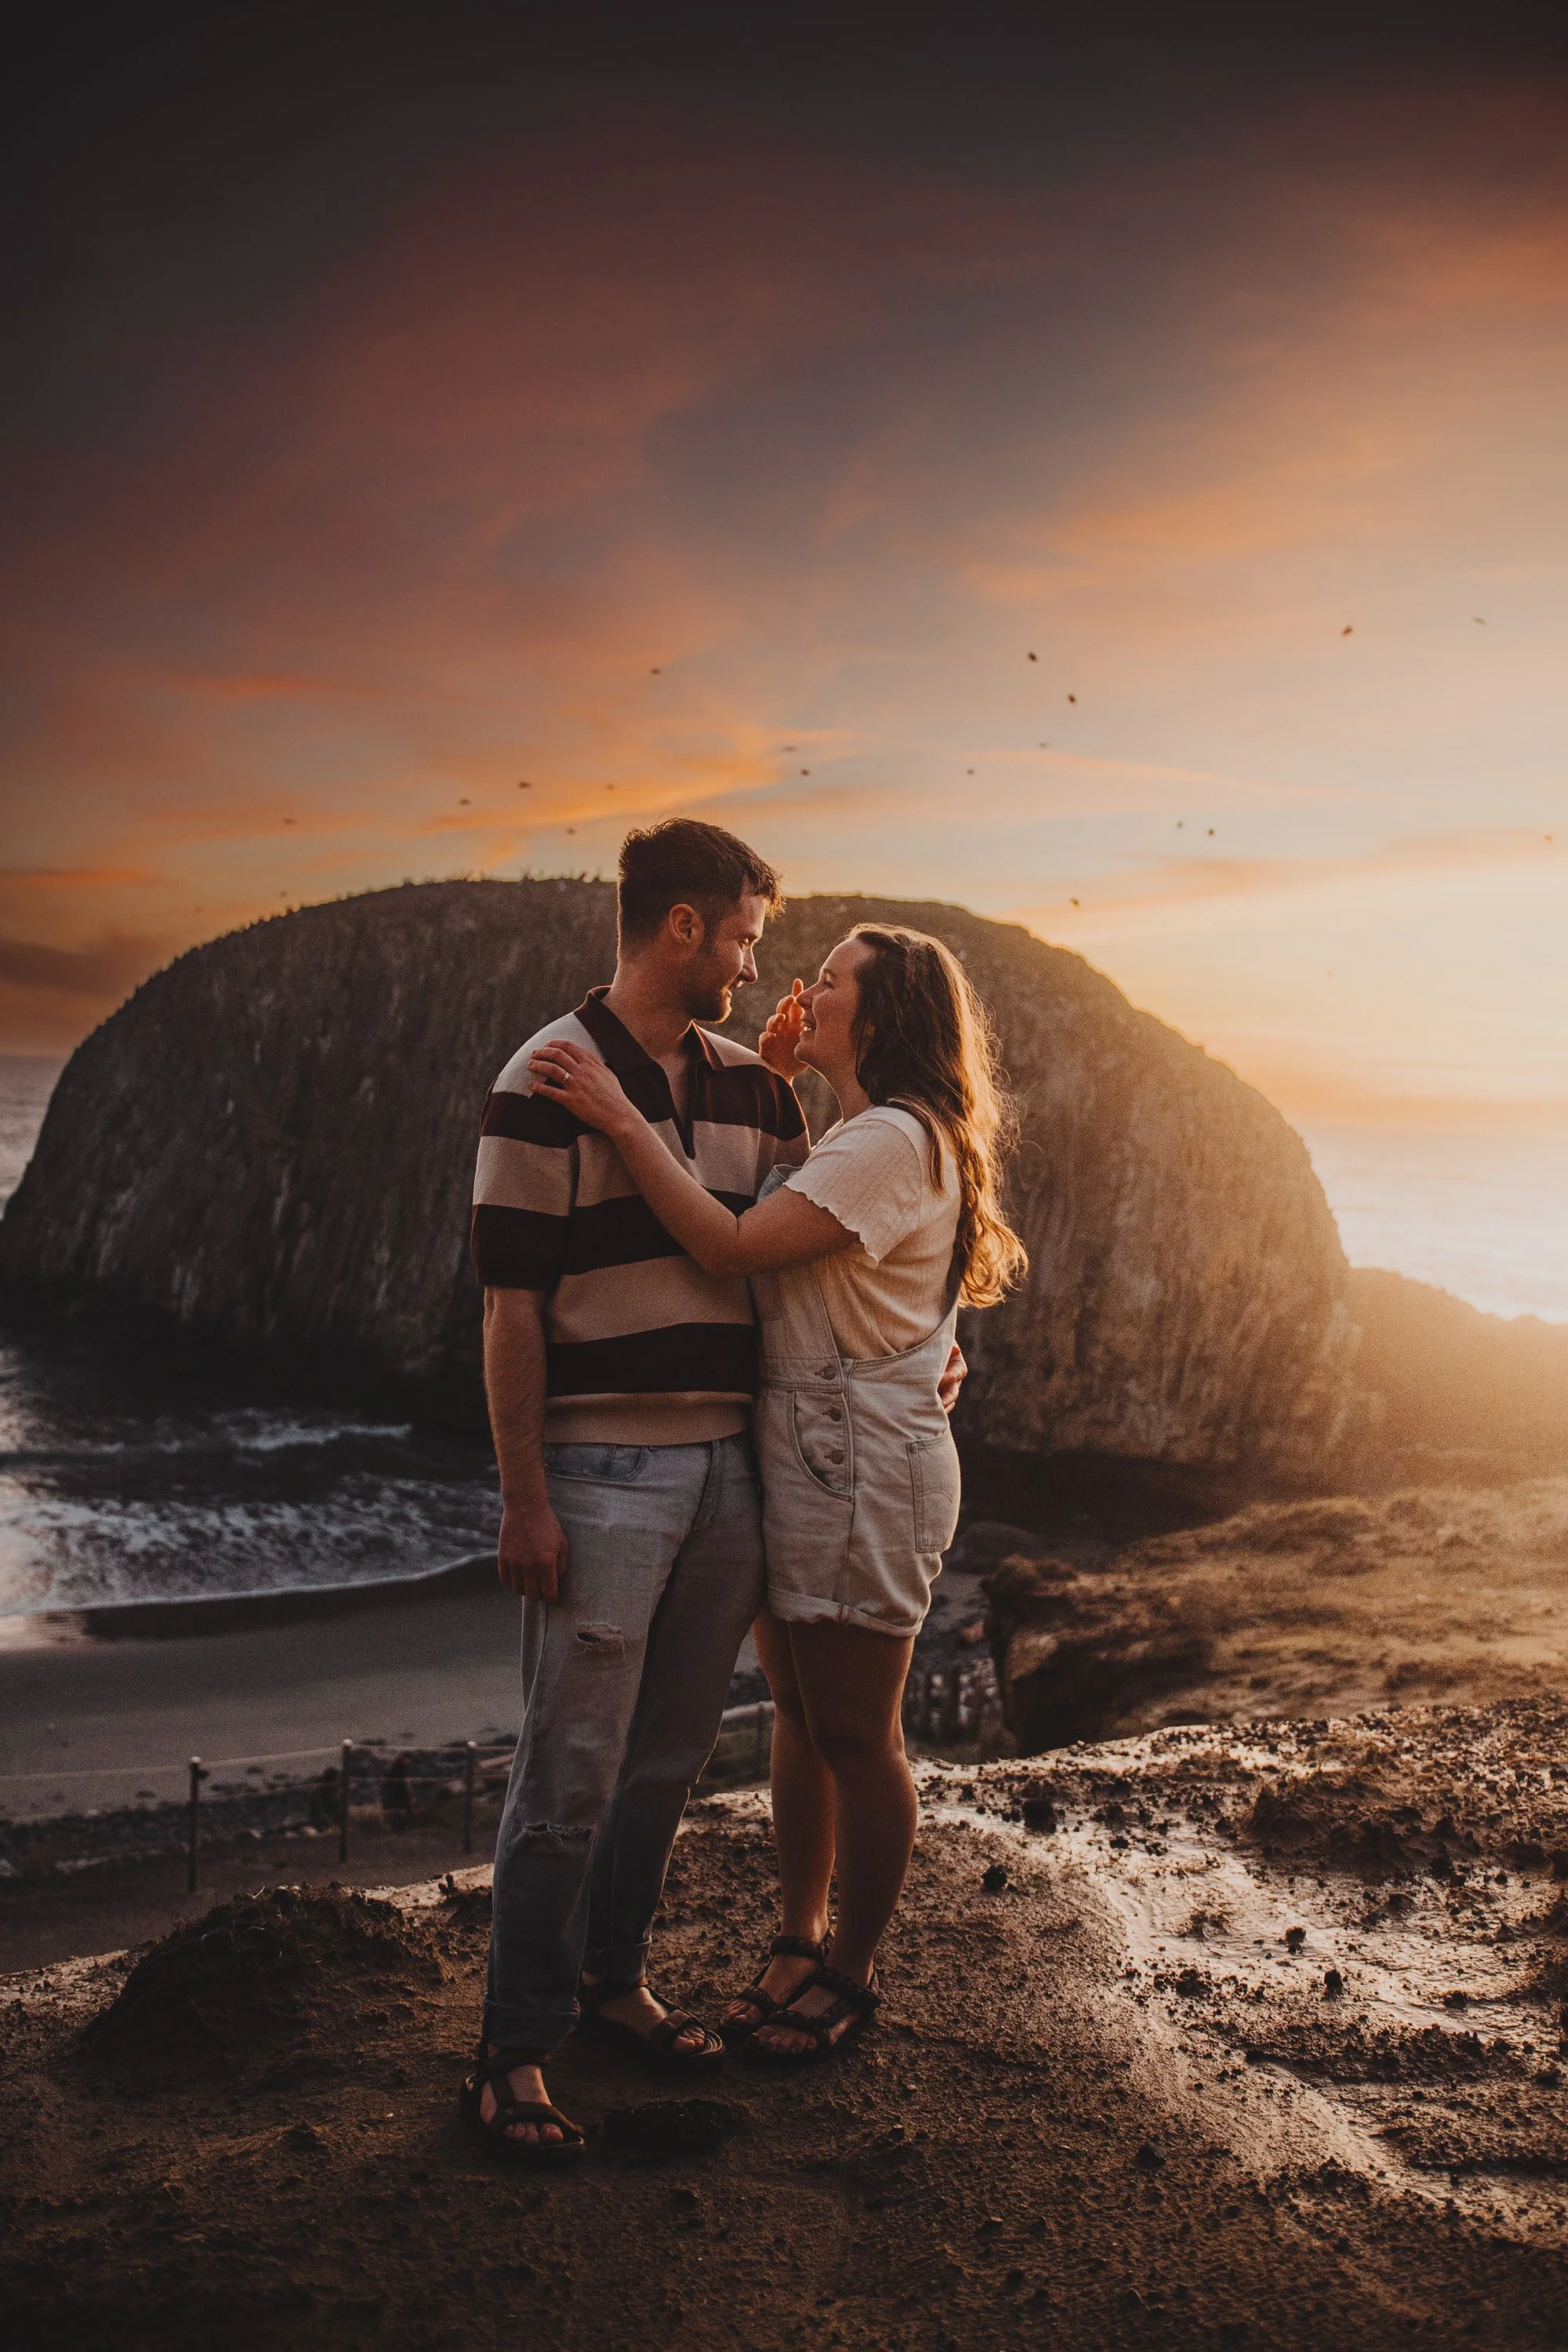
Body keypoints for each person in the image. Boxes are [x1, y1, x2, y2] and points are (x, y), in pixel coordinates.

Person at [529, 920, 1025, 2065]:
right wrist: (790, 1075)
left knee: (861, 1736)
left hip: (859, 1466)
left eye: (834, 982)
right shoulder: (866, 1130)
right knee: (802, 1722)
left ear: (886, 1013)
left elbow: (732, 1245)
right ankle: (799, 1940)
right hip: (812, 1448)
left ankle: (849, 1974)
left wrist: (620, 1115)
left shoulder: (894, 1139)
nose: (807, 988)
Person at [459, 818, 808, 2163]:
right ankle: (515, 2049)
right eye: (742, 936)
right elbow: (510, 1312)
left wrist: (929, 1350)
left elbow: (805, 1250)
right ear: (682, 926)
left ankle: (612, 1983)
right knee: (569, 1772)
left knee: (663, 1764)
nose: (748, 962)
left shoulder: (751, 1086)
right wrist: (524, 1497)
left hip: (732, 1470)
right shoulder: (541, 1078)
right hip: (602, 1477)